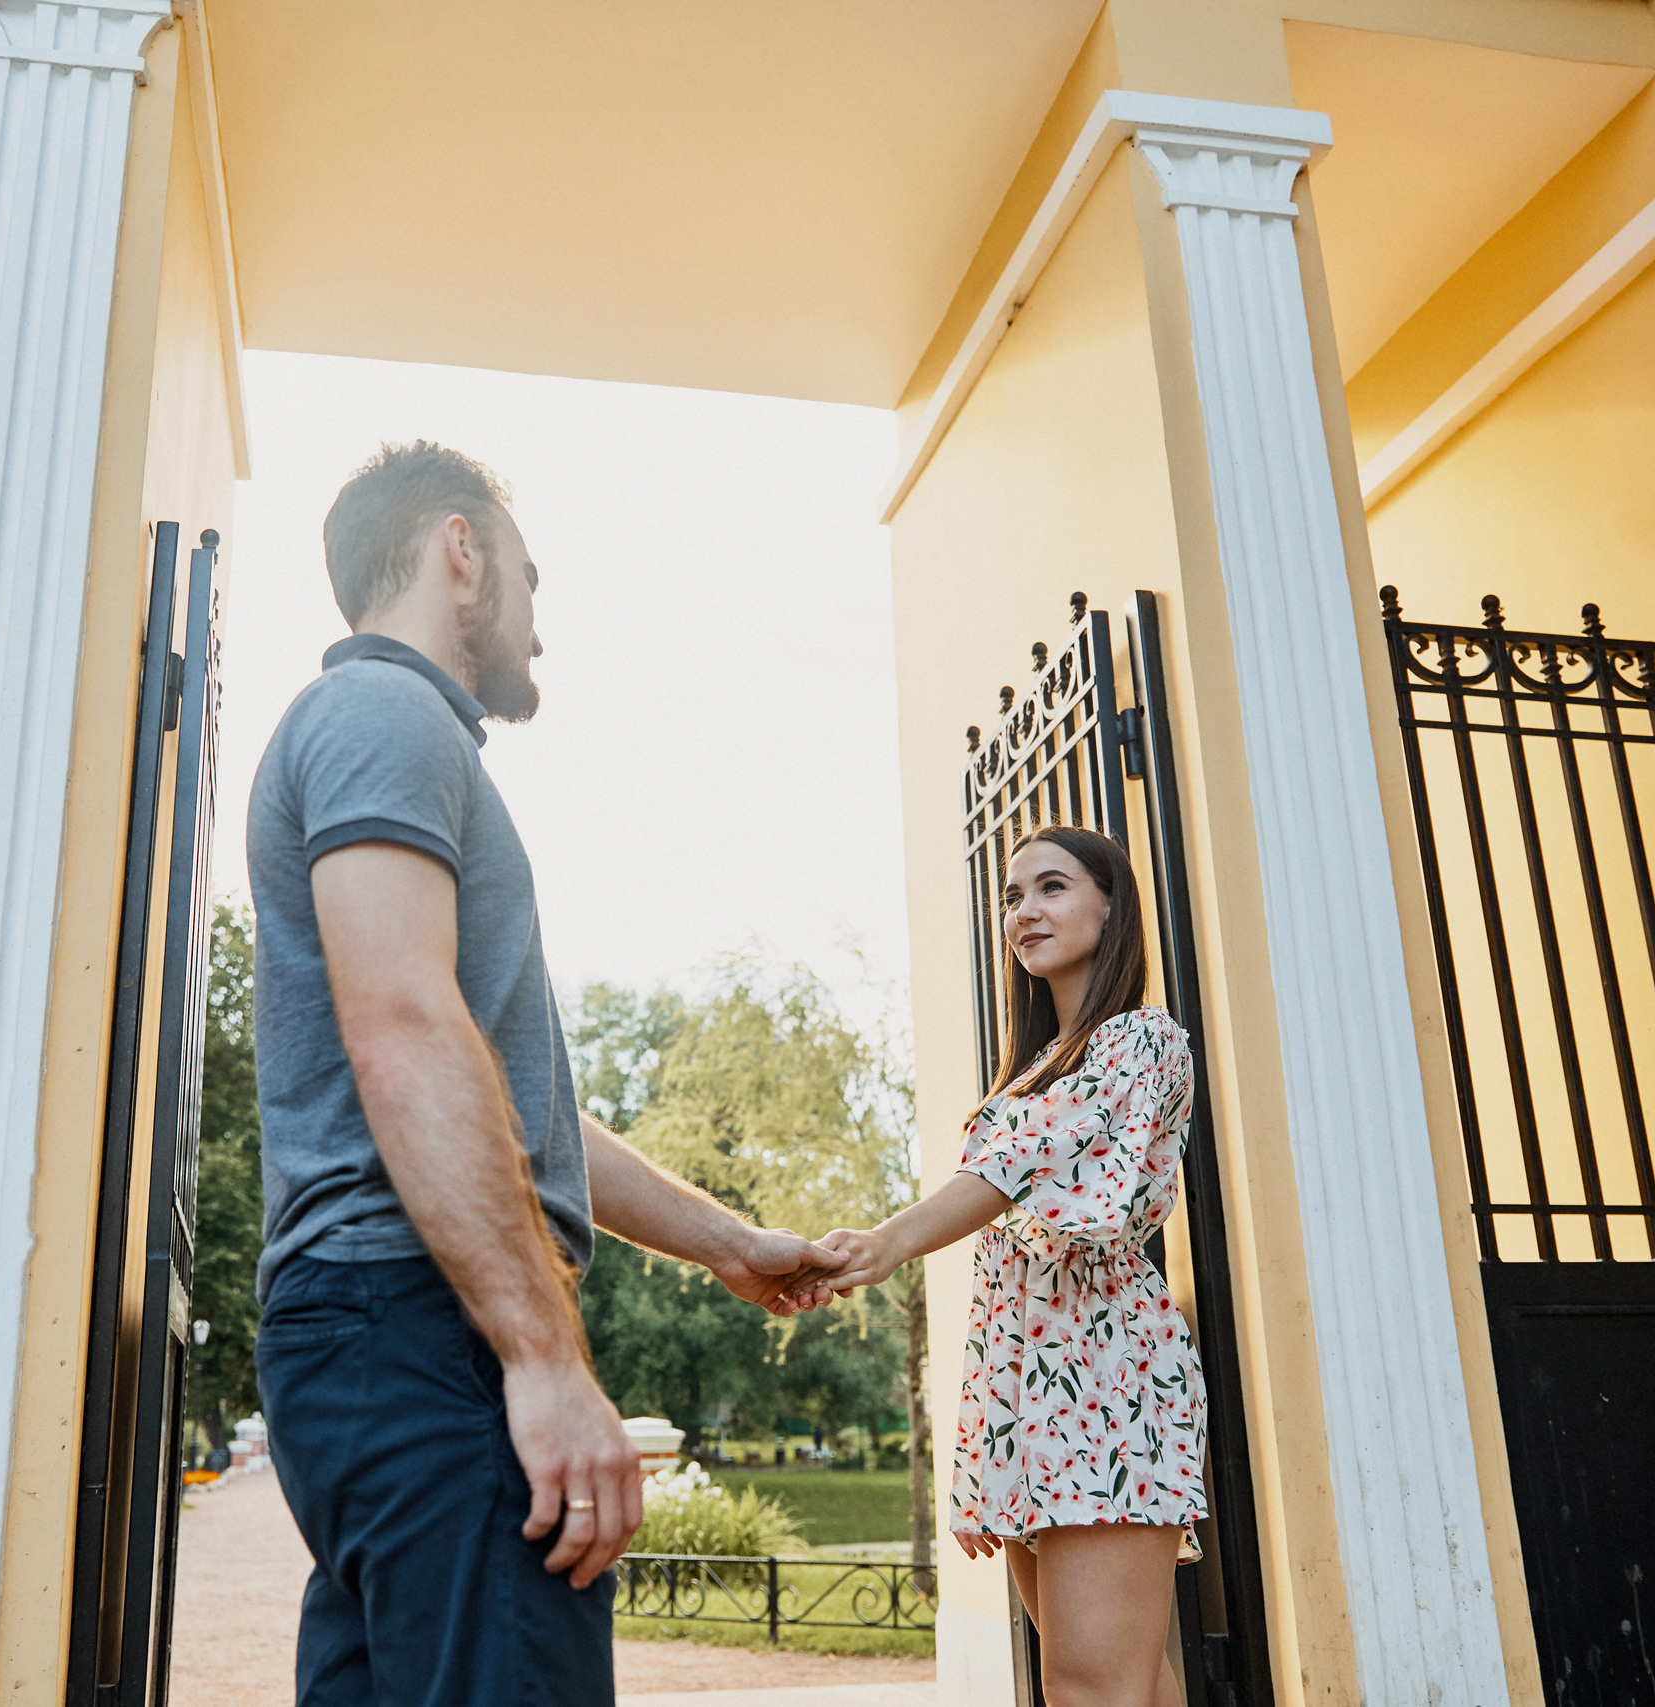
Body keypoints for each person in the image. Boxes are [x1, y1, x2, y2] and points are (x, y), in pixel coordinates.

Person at [247, 441, 846, 1707]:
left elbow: (502, 1102)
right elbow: (403, 1029)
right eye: (528, 573)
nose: (539, 622)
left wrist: (726, 1241)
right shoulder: (382, 713)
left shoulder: (394, 733)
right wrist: (540, 1355)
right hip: (420, 1325)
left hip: (376, 1338)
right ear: (459, 549)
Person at [803, 825, 1207, 1707]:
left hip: (1107, 1378)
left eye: (1052, 888)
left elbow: (1022, 1173)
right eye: (1013, 896)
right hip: (1030, 1386)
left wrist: (879, 1245)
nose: (1024, 910)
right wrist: (991, 1436)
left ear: (1111, 905)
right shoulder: (1031, 1073)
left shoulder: (1143, 1044)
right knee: (1120, 1679)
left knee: (1090, 1683)